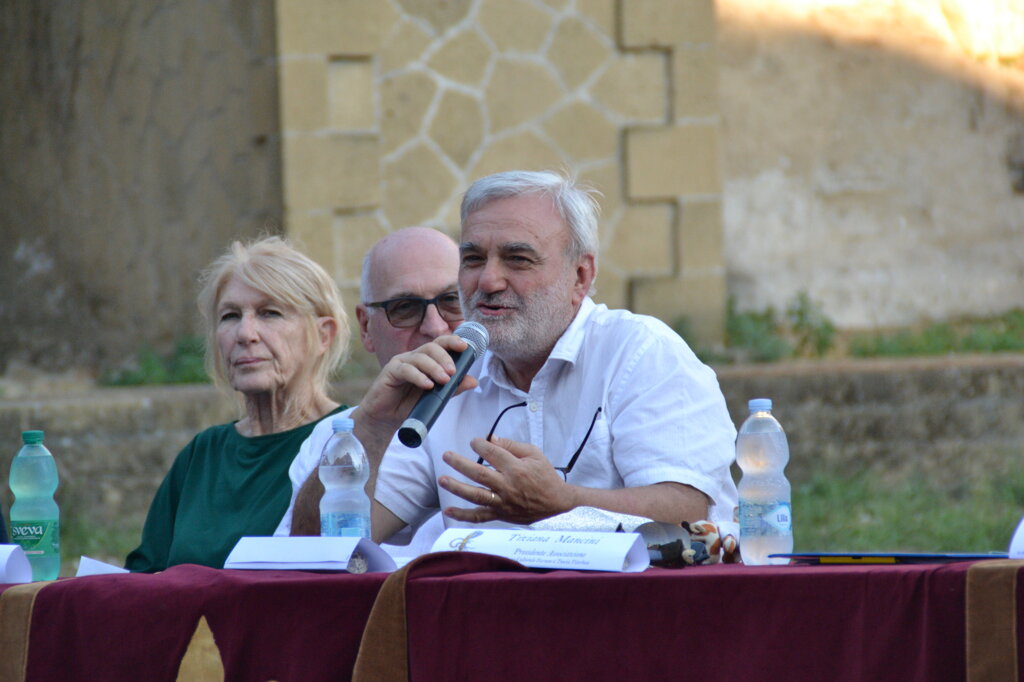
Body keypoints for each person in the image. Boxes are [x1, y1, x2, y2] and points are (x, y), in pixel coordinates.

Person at [291, 170, 738, 543]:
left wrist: (564, 503)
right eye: (472, 259)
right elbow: (320, 542)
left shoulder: (639, 353)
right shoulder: (449, 378)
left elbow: (690, 512)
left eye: (518, 259)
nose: (488, 281)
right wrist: (372, 425)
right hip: (490, 617)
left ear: (580, 276)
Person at [125, 236, 349, 572]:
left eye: (269, 313)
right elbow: (142, 576)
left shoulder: (348, 444)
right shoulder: (202, 454)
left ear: (323, 335)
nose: (245, 333)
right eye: (230, 316)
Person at [274, 227, 462, 550]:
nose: (435, 327)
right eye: (405, 308)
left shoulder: (509, 405)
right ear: (365, 327)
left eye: (452, 301)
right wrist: (373, 426)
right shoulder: (333, 438)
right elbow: (307, 554)